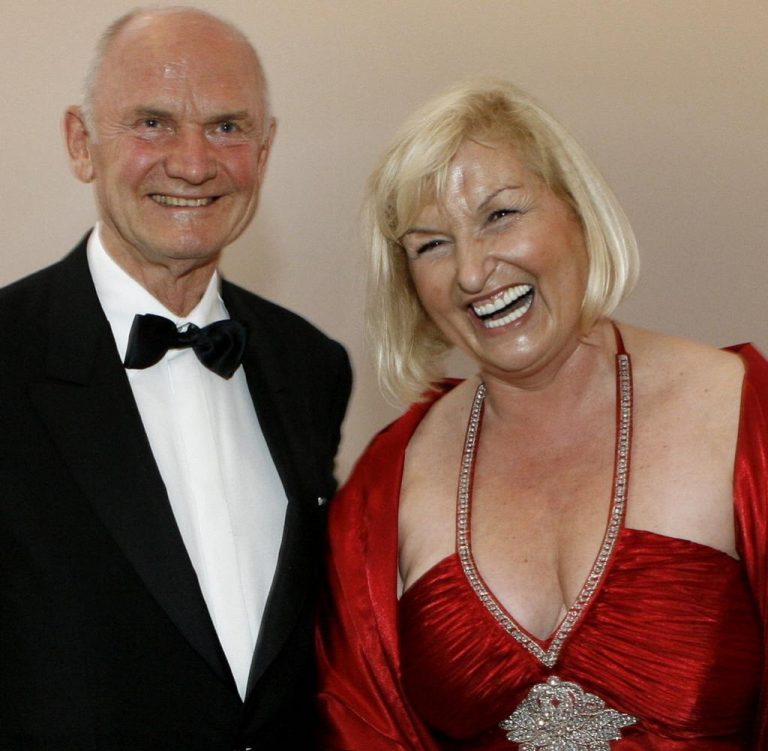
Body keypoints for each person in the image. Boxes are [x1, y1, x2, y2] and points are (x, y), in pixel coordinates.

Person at [316, 79, 767, 750]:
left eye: (500, 214)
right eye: (431, 245)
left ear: (577, 212)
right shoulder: (387, 487)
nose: (472, 271)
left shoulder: (741, 417)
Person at [0, 7, 351, 750]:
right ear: (81, 142)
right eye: (153, 123)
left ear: (266, 149)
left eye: (227, 126)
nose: (193, 163)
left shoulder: (311, 363)